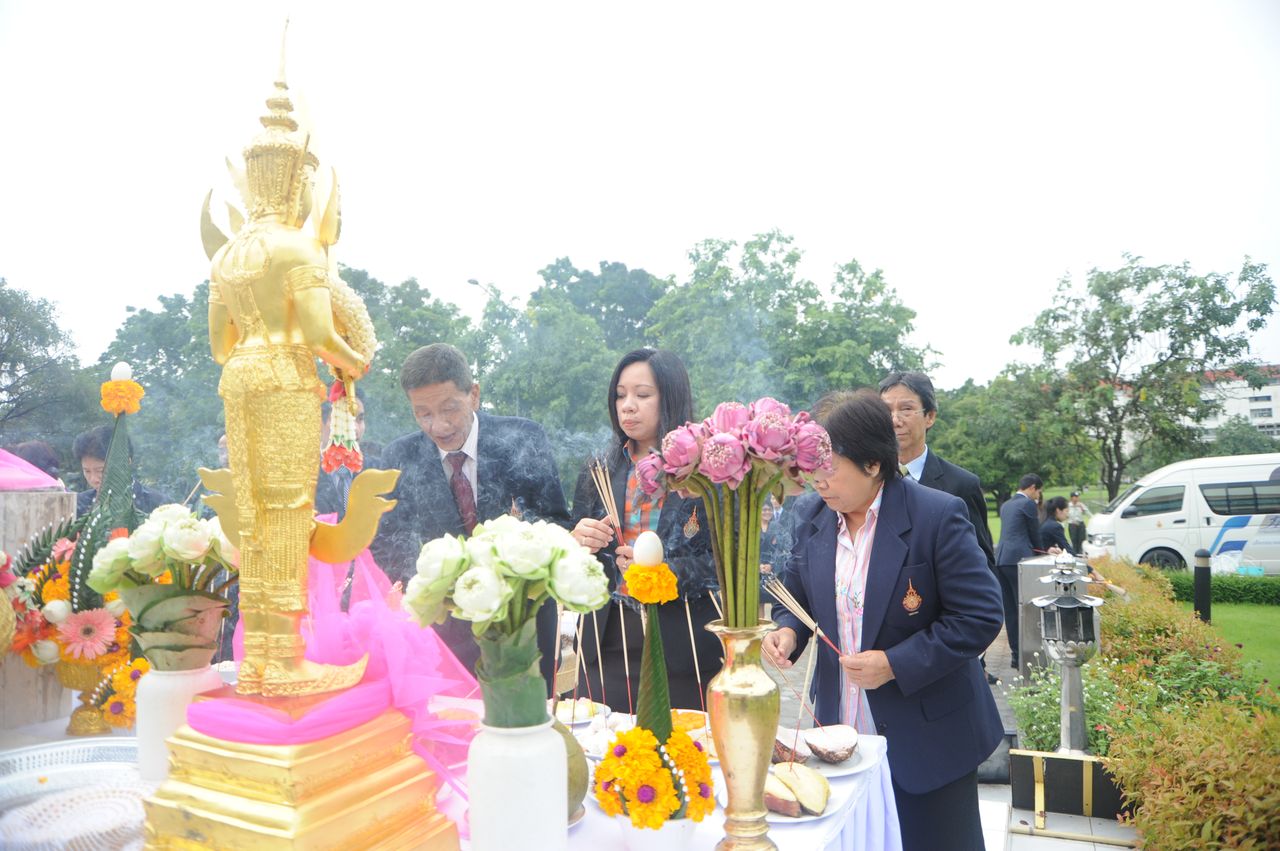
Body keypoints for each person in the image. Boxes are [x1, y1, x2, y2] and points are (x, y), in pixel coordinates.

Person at [762, 389, 1003, 851]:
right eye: (811, 468)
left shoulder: (935, 515)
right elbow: (797, 593)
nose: (818, 481)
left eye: (829, 467)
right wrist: (788, 630)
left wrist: (895, 663)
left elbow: (979, 615)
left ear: (873, 464)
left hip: (928, 736)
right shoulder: (812, 515)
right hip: (841, 732)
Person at [371, 343, 570, 692]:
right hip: (443, 640)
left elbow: (556, 524)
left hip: (522, 628)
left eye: (450, 409)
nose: (439, 425)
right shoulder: (398, 457)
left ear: (474, 395)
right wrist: (435, 582)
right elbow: (386, 547)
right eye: (423, 414)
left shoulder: (523, 439)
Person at [570, 349, 720, 711]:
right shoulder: (599, 469)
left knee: (679, 741)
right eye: (620, 395)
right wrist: (577, 540)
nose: (628, 406)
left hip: (681, 645)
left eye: (642, 394)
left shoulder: (705, 470)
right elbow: (573, 553)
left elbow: (723, 564)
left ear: (670, 398)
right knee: (606, 740)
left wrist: (663, 572)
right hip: (606, 640)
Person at [878, 372, 996, 569]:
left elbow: (982, 564)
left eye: (906, 409)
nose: (895, 420)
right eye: (886, 410)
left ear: (930, 416)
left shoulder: (961, 485)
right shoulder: (867, 481)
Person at [994, 474, 1058, 666]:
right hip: (1019, 560)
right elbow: (1034, 533)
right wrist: (1043, 553)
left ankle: (1015, 655)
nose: (1038, 496)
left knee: (1010, 610)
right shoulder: (1027, 504)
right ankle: (1027, 654)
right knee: (1024, 608)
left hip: (1002, 558)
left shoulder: (1006, 505)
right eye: (1038, 491)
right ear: (1032, 487)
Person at [72, 425, 170, 517]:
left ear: (126, 463)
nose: (93, 479)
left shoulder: (159, 505)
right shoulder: (78, 505)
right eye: (87, 471)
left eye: (101, 471)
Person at [315, 391, 372, 520]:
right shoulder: (303, 477)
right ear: (319, 423)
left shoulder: (378, 470)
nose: (355, 429)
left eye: (360, 419)